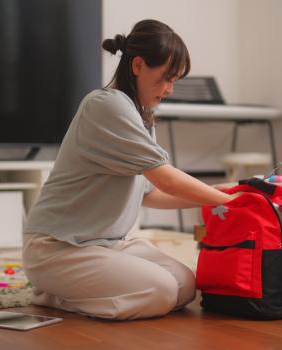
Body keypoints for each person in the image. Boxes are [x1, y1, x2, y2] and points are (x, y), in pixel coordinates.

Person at [22, 19, 239, 320]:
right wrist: (228, 202)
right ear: (138, 65)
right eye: (166, 78)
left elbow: (151, 193)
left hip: (110, 245)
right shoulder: (106, 106)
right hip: (58, 248)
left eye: (174, 80)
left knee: (187, 285)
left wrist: (214, 193)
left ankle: (75, 290)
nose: (169, 89)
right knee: (163, 291)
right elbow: (166, 178)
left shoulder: (142, 117)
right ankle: (55, 296)